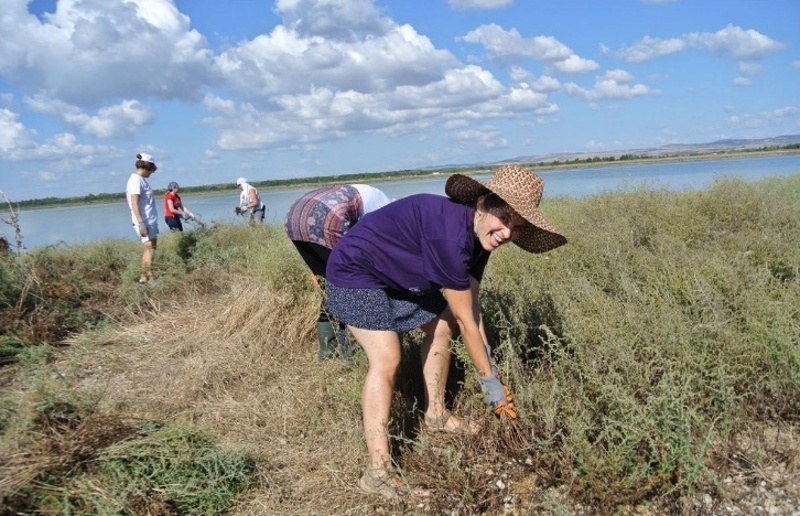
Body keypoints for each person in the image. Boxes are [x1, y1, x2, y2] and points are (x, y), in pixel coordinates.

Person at [324, 164, 567, 501]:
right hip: (355, 271)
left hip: (396, 273)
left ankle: (435, 414)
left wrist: (489, 365)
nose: (508, 233)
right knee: (388, 357)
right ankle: (377, 474)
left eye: (517, 225)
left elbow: (471, 309)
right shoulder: (450, 239)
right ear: (482, 204)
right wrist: (491, 384)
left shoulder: (481, 239)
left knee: (442, 324)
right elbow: (468, 322)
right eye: (504, 218)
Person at [285, 184, 392, 361]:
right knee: (353, 286)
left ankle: (327, 351)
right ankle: (351, 352)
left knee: (328, 284)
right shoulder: (384, 205)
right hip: (327, 217)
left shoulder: (372, 194)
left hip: (294, 216)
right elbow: (377, 242)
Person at [126, 152, 159, 284]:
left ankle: (144, 277)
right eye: (151, 169)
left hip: (149, 220)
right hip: (144, 221)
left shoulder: (140, 180)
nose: (152, 173)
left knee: (150, 247)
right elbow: (134, 202)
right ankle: (150, 277)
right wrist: (141, 223)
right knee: (150, 247)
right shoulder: (135, 180)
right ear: (147, 166)